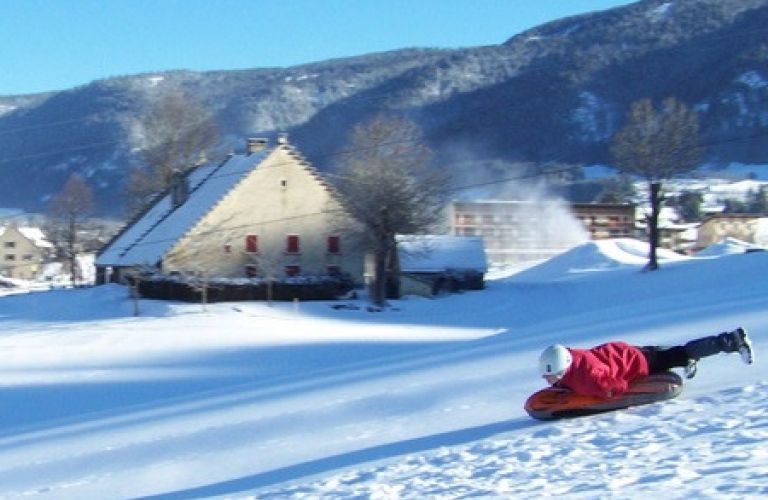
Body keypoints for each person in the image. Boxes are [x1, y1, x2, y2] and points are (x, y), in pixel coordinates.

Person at [538, 327, 753, 400]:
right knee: (674, 353)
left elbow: (617, 386)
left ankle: (731, 341)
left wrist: (607, 393)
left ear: (562, 369)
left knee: (680, 353)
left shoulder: (590, 379)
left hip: (638, 363)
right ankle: (688, 359)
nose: (547, 380)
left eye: (550, 376)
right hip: (624, 352)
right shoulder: (572, 357)